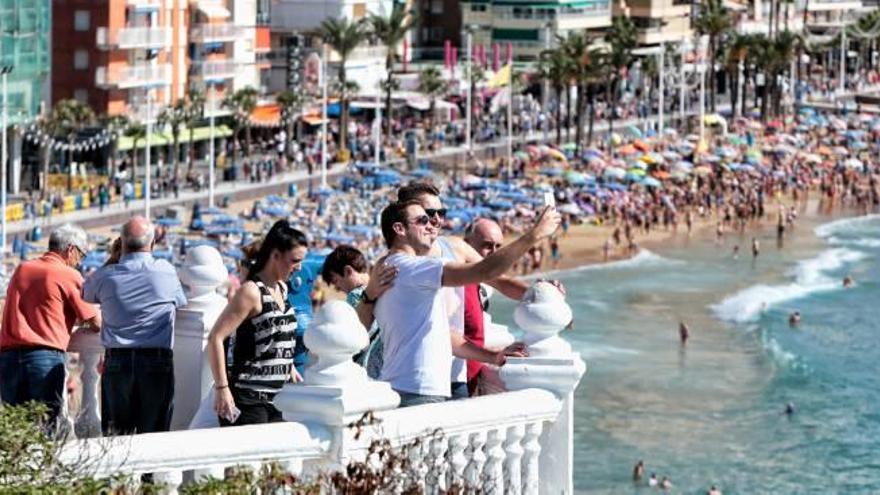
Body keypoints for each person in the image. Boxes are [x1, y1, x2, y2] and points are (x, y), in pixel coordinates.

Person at [374, 200, 559, 407]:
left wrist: (493, 357)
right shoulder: (413, 268)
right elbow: (485, 271)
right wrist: (534, 235)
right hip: (419, 391)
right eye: (422, 219)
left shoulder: (385, 269)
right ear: (399, 229)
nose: (431, 224)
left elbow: (441, 334)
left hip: (401, 385)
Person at [397, 182, 532, 399]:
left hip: (454, 373)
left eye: (441, 212)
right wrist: (532, 236)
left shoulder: (455, 247)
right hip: (415, 377)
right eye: (429, 213)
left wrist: (540, 294)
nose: (437, 220)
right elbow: (488, 270)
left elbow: (499, 279)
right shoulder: (403, 264)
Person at [83, 216, 187, 435]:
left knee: (116, 439)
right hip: (156, 360)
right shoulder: (165, 271)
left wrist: (114, 258)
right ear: (152, 244)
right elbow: (181, 302)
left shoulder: (105, 276)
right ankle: (147, 472)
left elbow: (87, 294)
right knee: (153, 436)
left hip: (117, 361)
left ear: (121, 242)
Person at [207, 221, 308, 426]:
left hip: (278, 398)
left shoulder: (282, 288)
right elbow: (216, 338)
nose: (299, 268)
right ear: (275, 255)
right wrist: (222, 389)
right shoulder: (251, 292)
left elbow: (275, 335)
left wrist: (287, 365)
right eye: (295, 260)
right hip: (249, 400)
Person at [0, 224, 100, 427]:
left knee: (15, 432)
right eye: (82, 255)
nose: (80, 262)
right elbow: (96, 322)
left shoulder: (22, 269)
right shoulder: (67, 274)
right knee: (45, 429)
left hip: (8, 358)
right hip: (43, 358)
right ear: (71, 250)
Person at [320, 245, 397, 379]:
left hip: (370, 370)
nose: (338, 288)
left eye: (336, 281)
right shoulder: (383, 289)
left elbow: (350, 339)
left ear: (348, 271)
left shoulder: (355, 295)